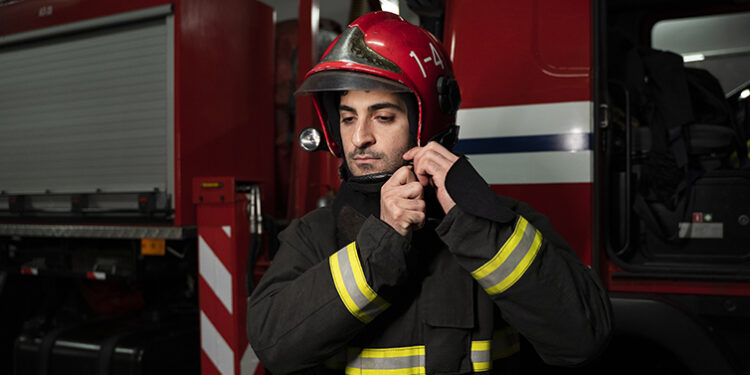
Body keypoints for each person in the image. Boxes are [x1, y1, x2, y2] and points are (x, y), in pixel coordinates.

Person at [247, 11, 611, 374]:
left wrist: (476, 223)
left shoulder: (500, 228)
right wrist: (378, 247)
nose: (360, 138)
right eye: (348, 118)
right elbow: (273, 347)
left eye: (383, 116)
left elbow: (582, 340)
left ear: (428, 120)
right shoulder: (314, 235)